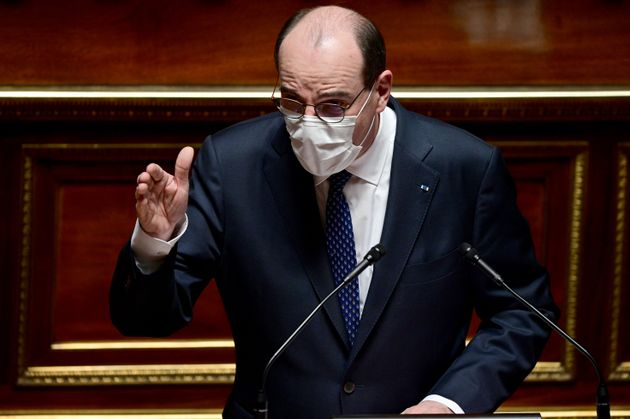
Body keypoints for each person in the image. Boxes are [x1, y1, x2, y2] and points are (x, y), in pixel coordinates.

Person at [110, 5, 558, 419]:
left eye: (332, 106)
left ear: (381, 90)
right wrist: (154, 245)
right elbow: (146, 319)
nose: (307, 123)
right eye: (290, 100)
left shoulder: (463, 168)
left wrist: (449, 404)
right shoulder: (233, 165)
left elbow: (522, 313)